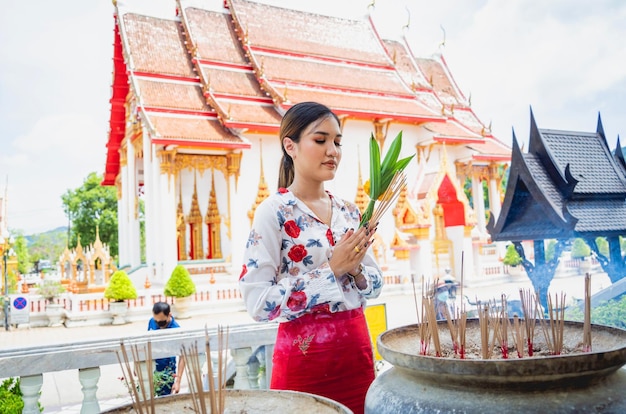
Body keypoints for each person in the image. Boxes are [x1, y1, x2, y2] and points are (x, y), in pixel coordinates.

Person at [239, 101, 383, 414]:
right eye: (320, 140)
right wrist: (331, 270)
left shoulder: (349, 212)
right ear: (290, 145)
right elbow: (258, 303)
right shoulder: (273, 212)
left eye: (337, 142)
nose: (333, 150)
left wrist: (357, 272)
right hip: (303, 361)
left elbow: (375, 284)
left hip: (357, 355)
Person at [147, 301, 186, 396]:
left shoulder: (176, 329)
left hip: (167, 371)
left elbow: (183, 356)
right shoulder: (152, 321)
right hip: (151, 368)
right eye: (156, 321)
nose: (159, 325)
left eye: (162, 322)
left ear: (169, 315)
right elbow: (147, 342)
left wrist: (178, 381)